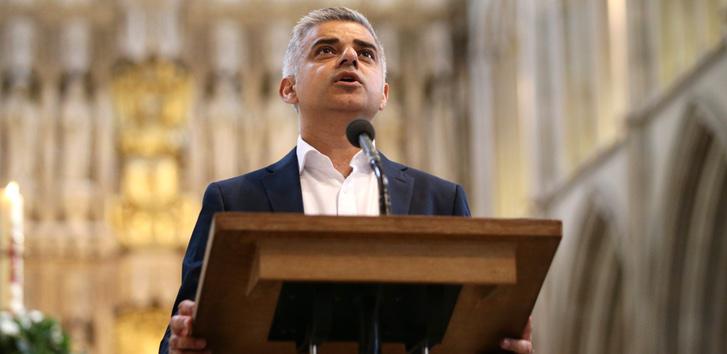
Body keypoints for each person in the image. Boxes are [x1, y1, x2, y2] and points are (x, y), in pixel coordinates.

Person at [160, 7, 533, 354]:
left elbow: (465, 326)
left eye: (366, 53)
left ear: (384, 94)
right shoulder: (234, 200)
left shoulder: (440, 200)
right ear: (288, 88)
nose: (350, 57)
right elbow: (182, 333)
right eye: (325, 50)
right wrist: (184, 343)